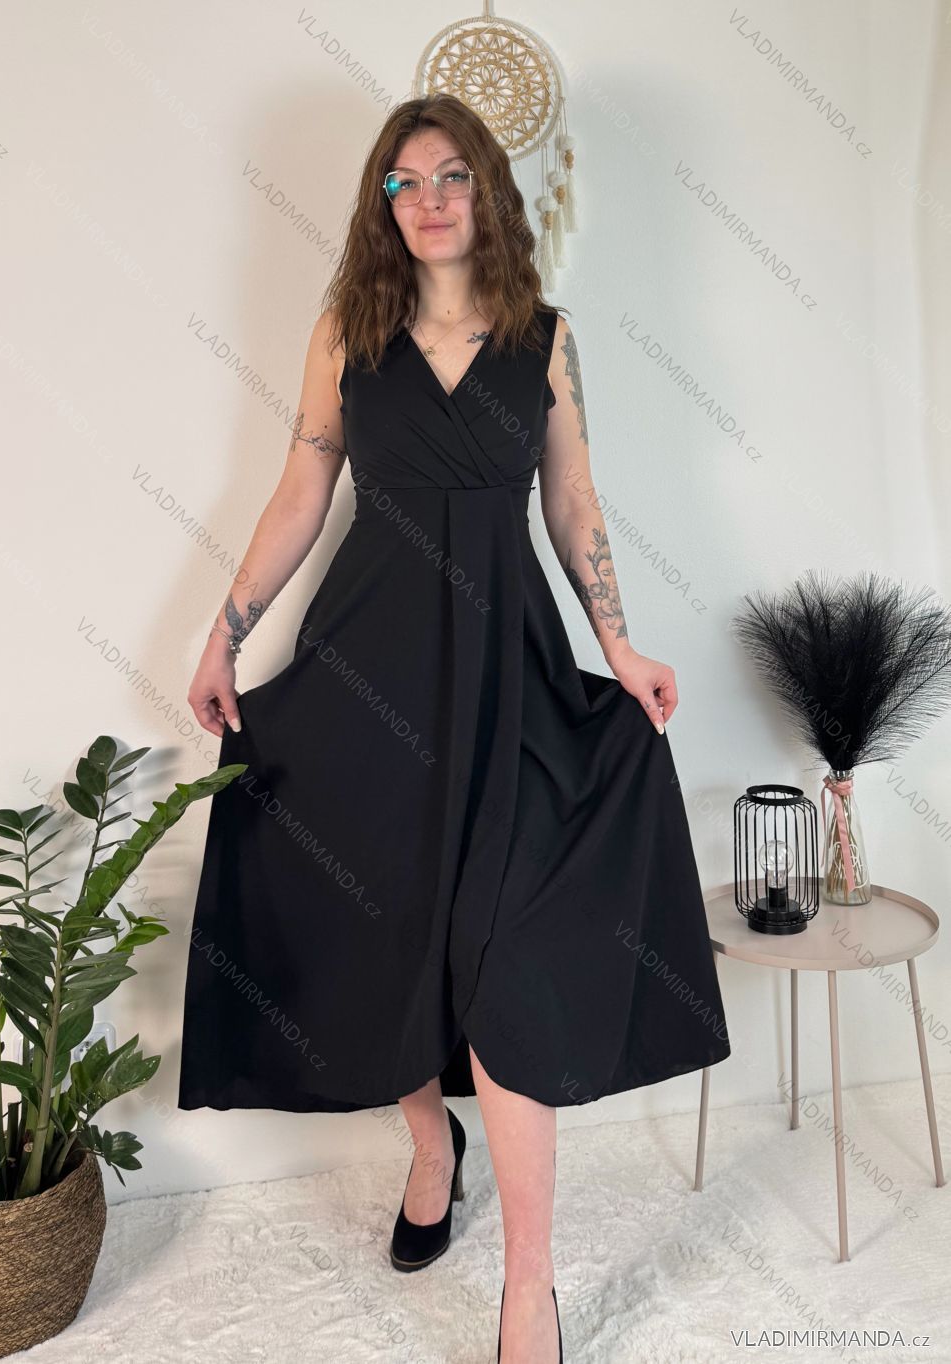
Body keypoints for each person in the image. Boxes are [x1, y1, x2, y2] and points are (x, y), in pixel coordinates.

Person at [178, 92, 730, 1363]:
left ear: (488, 191)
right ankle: (432, 1143)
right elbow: (302, 487)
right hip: (366, 669)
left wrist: (618, 647)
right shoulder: (346, 330)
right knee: (378, 931)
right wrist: (225, 634)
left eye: (450, 177)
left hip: (509, 677)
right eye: (403, 182)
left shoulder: (544, 337)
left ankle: (527, 1286)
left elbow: (573, 499)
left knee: (510, 964)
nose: (427, 200)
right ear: (382, 204)